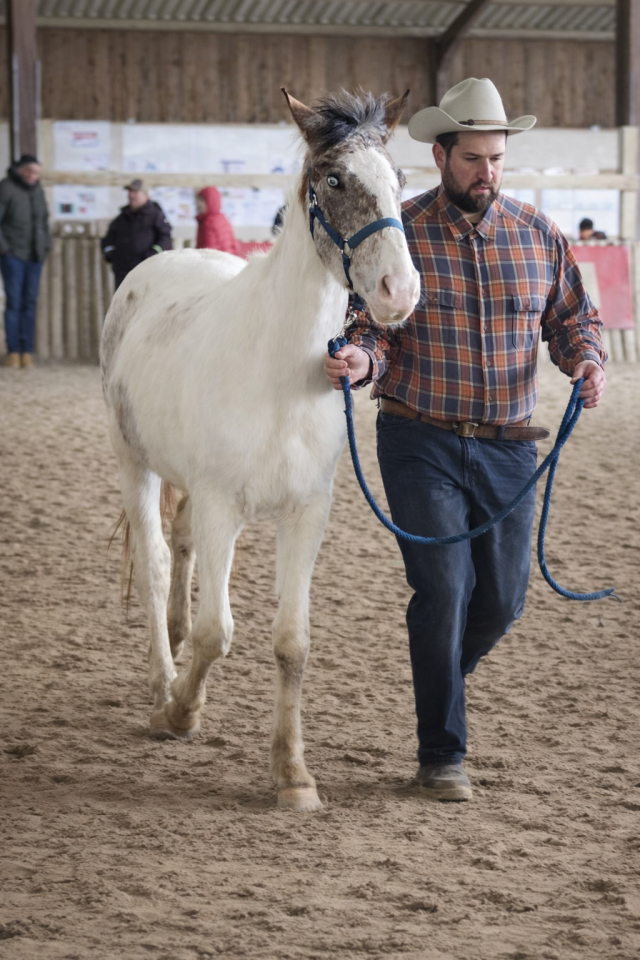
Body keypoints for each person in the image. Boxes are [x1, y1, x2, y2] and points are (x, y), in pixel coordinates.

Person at [324, 78, 606, 803]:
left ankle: (439, 676)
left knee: (503, 602)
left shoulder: (539, 236)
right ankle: (441, 753)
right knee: (444, 588)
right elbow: (371, 329)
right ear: (441, 155)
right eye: (474, 158)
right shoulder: (404, 232)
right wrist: (360, 361)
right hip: (420, 439)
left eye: (497, 158)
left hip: (511, 446)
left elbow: (573, 322)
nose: (488, 171)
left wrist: (586, 362)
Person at [0, 154, 50, 368]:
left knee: (30, 303)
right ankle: (13, 351)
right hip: (13, 255)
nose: (33, 176)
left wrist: (46, 245)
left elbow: (44, 220)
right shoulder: (6, 187)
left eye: (37, 173)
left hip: (35, 256)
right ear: (21, 170)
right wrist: (4, 248)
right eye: (30, 172)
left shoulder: (38, 190)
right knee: (14, 303)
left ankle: (27, 351)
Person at [101, 180, 171, 289]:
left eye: (135, 192)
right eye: (129, 191)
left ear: (145, 194)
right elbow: (108, 239)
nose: (131, 195)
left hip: (147, 273)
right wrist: (110, 253)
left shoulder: (156, 216)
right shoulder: (122, 217)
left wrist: (151, 256)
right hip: (123, 273)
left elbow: (165, 239)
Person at [195, 187, 239, 255]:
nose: (198, 204)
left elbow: (207, 254)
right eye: (198, 200)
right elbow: (233, 248)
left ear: (211, 201)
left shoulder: (208, 223)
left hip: (216, 261)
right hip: (228, 260)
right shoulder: (223, 219)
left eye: (202, 200)